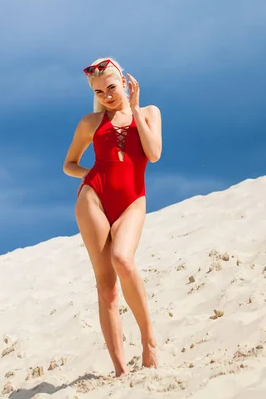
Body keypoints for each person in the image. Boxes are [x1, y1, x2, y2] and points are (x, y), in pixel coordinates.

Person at [62, 57, 162, 377]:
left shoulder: (148, 113)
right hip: (94, 197)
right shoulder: (90, 123)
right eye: (99, 91)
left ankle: (149, 343)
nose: (106, 95)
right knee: (106, 288)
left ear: (124, 82)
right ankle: (120, 370)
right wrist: (90, 173)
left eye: (111, 87)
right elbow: (69, 163)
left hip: (133, 200)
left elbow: (154, 154)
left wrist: (133, 109)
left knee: (123, 259)